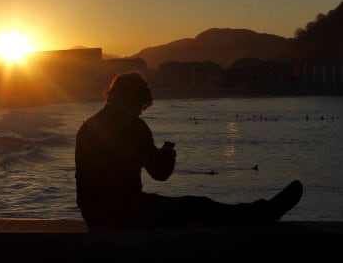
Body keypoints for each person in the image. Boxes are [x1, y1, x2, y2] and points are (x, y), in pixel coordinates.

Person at [75, 71, 303, 230]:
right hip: (126, 212)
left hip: (94, 215)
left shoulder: (88, 126)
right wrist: (168, 154)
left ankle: (260, 211)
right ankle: (262, 213)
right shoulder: (133, 126)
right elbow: (160, 174)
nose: (140, 112)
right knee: (199, 206)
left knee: (193, 207)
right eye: (140, 106)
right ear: (134, 100)